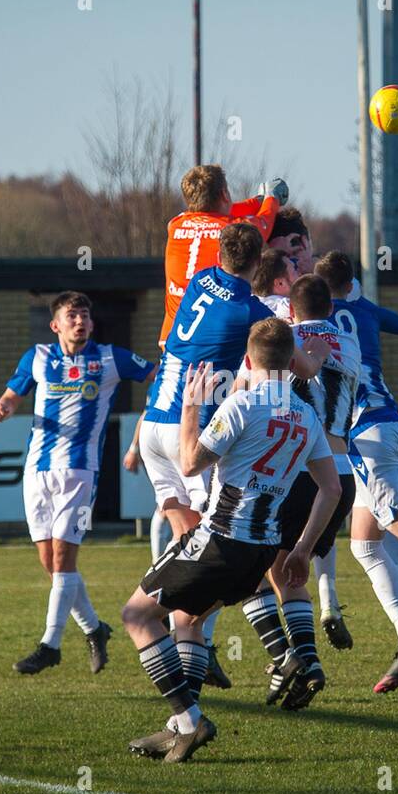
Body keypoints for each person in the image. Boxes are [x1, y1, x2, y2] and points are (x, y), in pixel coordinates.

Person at [121, 320, 340, 763]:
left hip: (221, 539)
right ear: (289, 359)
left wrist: (190, 407)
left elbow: (188, 465)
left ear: (249, 355)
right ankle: (177, 726)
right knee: (189, 620)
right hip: (262, 552)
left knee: (137, 616)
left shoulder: (241, 404)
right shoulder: (305, 413)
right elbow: (331, 489)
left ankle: (189, 720)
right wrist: (300, 549)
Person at [0, 291, 156, 676]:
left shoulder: (111, 357)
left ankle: (50, 644)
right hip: (37, 470)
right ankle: (95, 629)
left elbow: (159, 374)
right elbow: (12, 395)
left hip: (80, 471)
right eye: (71, 316)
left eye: (84, 316)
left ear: (92, 324)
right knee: (51, 565)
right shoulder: (38, 357)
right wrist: (2, 408)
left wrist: (157, 411)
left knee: (64, 560)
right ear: (55, 325)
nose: (79, 321)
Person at [248, 275, 359, 710]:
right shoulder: (350, 343)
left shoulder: (285, 341)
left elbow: (258, 388)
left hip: (298, 471)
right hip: (343, 472)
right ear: (331, 308)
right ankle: (302, 664)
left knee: (258, 571)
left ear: (290, 309)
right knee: (290, 570)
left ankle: (295, 660)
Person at [158, 165, 282, 348]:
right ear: (224, 194)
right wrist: (272, 199)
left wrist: (256, 202)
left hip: (172, 336)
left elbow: (221, 211)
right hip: (207, 337)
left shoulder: (175, 223)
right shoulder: (230, 232)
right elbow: (263, 225)